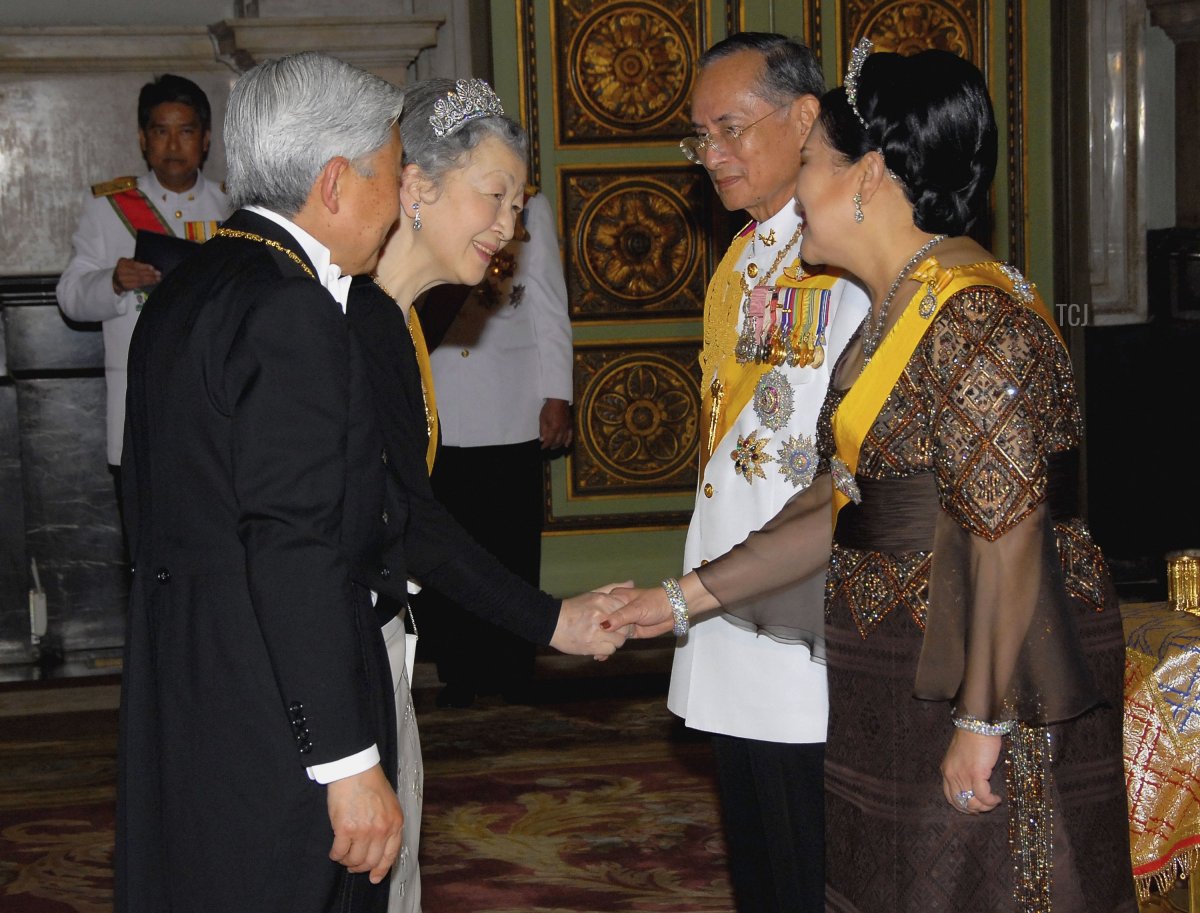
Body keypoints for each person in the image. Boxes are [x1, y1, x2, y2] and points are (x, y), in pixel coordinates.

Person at [605, 43, 1137, 912]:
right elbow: (845, 501)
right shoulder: (895, 307)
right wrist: (683, 600)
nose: (796, 185)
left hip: (977, 673)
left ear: (870, 176)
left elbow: (1006, 534)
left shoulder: (972, 314)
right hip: (893, 669)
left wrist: (982, 719)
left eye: (811, 161)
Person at [118, 52, 411, 913]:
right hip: (278, 712)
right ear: (335, 181)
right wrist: (348, 761)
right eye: (393, 176)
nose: (398, 206)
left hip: (192, 685)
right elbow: (296, 545)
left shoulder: (189, 286)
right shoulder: (294, 310)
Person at [345, 77, 627, 912]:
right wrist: (557, 621)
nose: (510, 227)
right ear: (418, 187)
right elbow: (413, 525)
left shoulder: (396, 321)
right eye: (495, 196)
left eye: (519, 202)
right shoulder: (351, 323)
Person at [667, 32, 868, 913]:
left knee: (806, 859)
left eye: (731, 129)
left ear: (805, 118)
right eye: (699, 136)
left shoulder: (849, 256)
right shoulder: (747, 253)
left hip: (801, 620)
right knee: (756, 855)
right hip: (728, 600)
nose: (712, 154)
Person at [415, 186, 574, 708]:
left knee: (508, 545)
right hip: (440, 398)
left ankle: (510, 665)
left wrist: (558, 395)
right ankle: (458, 668)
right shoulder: (425, 197)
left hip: (508, 403)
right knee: (450, 543)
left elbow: (549, 304)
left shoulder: (528, 205)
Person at [57, 73, 231, 490]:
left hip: (216, 404)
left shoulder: (233, 205)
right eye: (160, 131)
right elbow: (70, 298)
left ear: (205, 139)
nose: (173, 145)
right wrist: (112, 282)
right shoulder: (108, 206)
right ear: (142, 138)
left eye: (186, 131)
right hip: (141, 402)